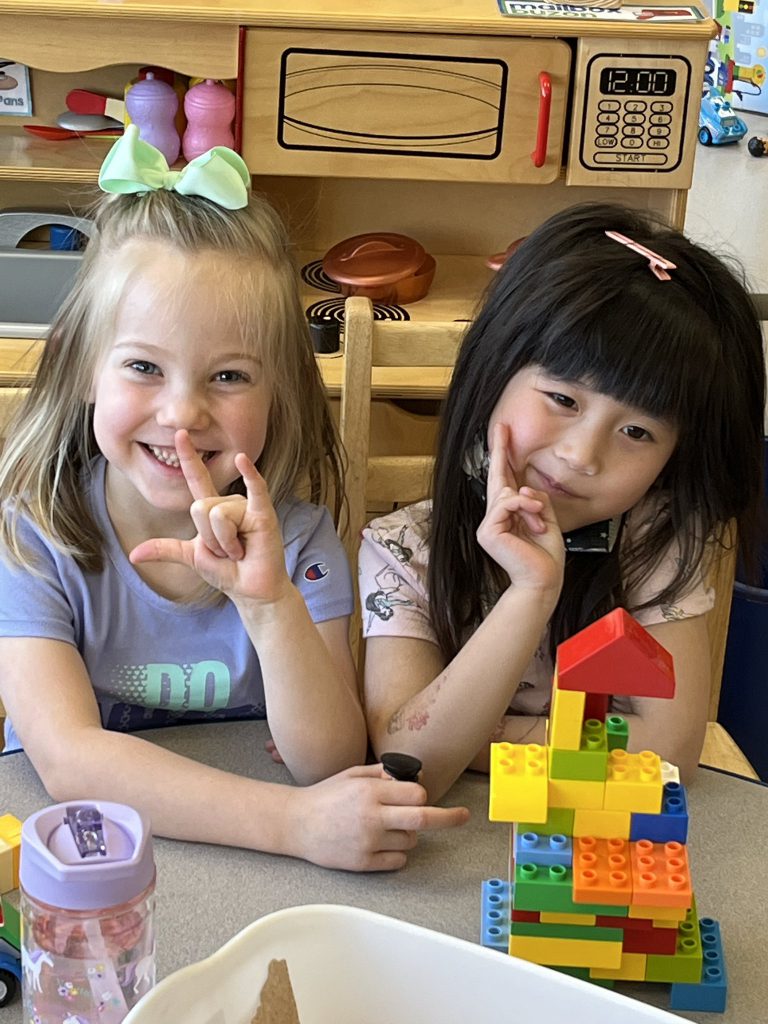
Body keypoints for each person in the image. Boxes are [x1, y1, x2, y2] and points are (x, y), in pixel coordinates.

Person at [0, 126, 468, 871]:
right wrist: (292, 825)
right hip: (104, 867)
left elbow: (328, 760)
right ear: (84, 368)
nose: (182, 413)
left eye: (229, 377)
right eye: (144, 367)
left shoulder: (301, 542)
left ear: (279, 391)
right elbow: (70, 764)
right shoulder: (34, 539)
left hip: (253, 879)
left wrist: (269, 604)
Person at [360, 201, 766, 800]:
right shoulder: (403, 550)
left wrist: (480, 735)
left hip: (595, 840)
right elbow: (410, 759)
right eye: (563, 398)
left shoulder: (658, 545)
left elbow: (672, 752)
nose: (582, 455)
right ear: (494, 368)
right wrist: (531, 592)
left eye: (637, 432)